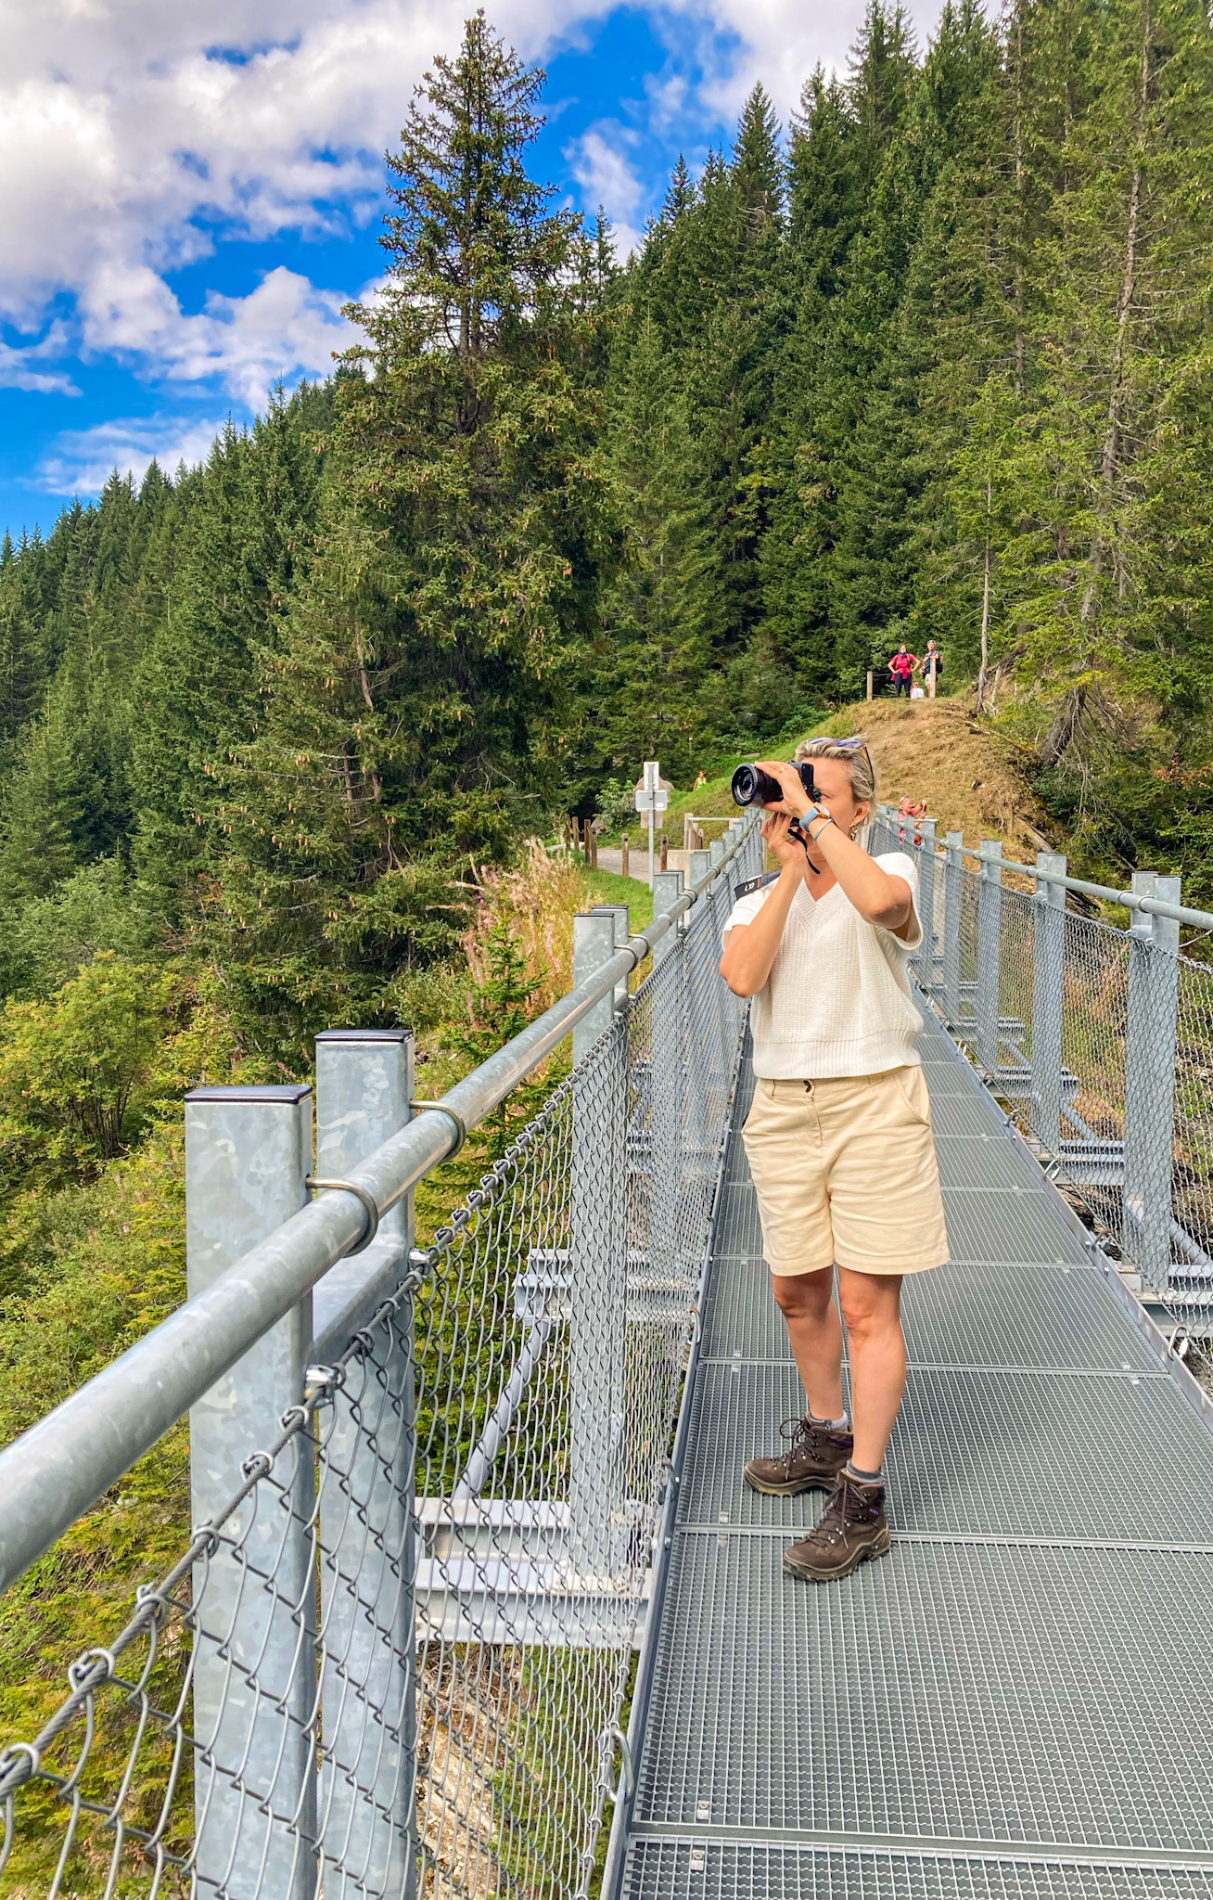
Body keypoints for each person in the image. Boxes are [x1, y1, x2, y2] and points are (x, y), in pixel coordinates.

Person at [718, 737, 949, 1582]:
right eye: (788, 791)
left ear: (858, 808)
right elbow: (741, 978)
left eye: (819, 793)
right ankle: (824, 1435)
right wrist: (787, 867)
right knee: (795, 1289)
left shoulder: (886, 866)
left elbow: (885, 908)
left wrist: (816, 825)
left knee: (864, 1305)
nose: (795, 804)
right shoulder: (756, 893)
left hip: (874, 1101)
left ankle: (862, 1496)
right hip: (784, 1107)